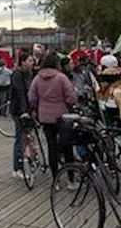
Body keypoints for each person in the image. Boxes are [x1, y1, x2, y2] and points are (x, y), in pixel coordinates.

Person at [28, 52, 77, 180]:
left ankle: (55, 178)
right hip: (62, 116)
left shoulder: (37, 78)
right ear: (57, 64)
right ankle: (71, 178)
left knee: (51, 146)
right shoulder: (61, 78)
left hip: (44, 116)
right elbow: (71, 97)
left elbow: (32, 97)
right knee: (67, 146)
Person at [10, 52, 35, 178]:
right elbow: (20, 94)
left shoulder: (29, 74)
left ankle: (29, 159)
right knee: (19, 138)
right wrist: (24, 110)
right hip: (19, 111)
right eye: (30, 60)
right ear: (23, 62)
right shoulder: (17, 75)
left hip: (28, 110)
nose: (32, 63)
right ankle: (17, 168)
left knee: (27, 138)